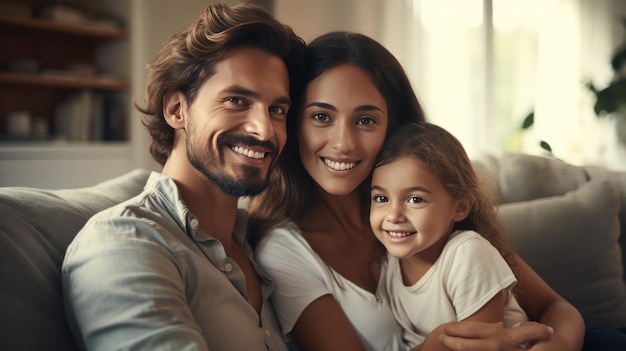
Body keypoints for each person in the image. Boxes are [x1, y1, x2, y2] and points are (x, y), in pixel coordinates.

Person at [248, 31, 585, 351]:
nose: (343, 143)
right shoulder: (284, 251)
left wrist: (560, 345)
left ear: (393, 129)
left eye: (366, 121)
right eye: (321, 116)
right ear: (293, 124)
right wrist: (437, 344)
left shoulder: (430, 213)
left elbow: (557, 308)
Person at [61, 3, 305, 350]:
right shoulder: (126, 241)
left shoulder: (261, 249)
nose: (265, 129)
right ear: (177, 110)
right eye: (237, 100)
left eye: (277, 110)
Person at [370, 121, 529, 349]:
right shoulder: (389, 264)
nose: (393, 215)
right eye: (381, 198)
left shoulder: (468, 253)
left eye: (415, 199)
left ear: (460, 208)